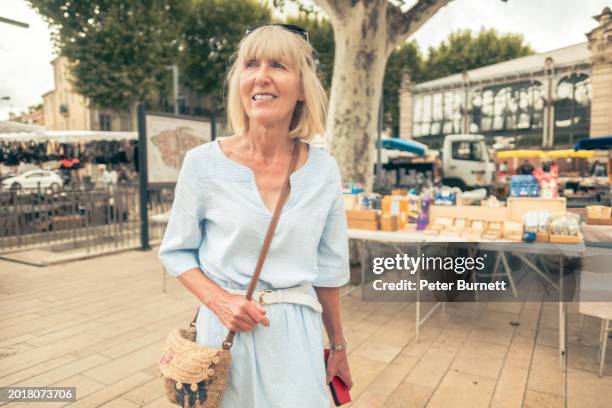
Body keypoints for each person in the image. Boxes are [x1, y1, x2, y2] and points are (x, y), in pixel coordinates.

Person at [158, 24, 353, 407]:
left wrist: (338, 346)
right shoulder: (202, 163)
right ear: (239, 82)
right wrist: (219, 301)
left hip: (296, 337)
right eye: (251, 64)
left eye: (278, 65)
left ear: (301, 88)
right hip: (226, 336)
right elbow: (176, 252)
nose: (261, 76)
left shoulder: (324, 170)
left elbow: (328, 271)